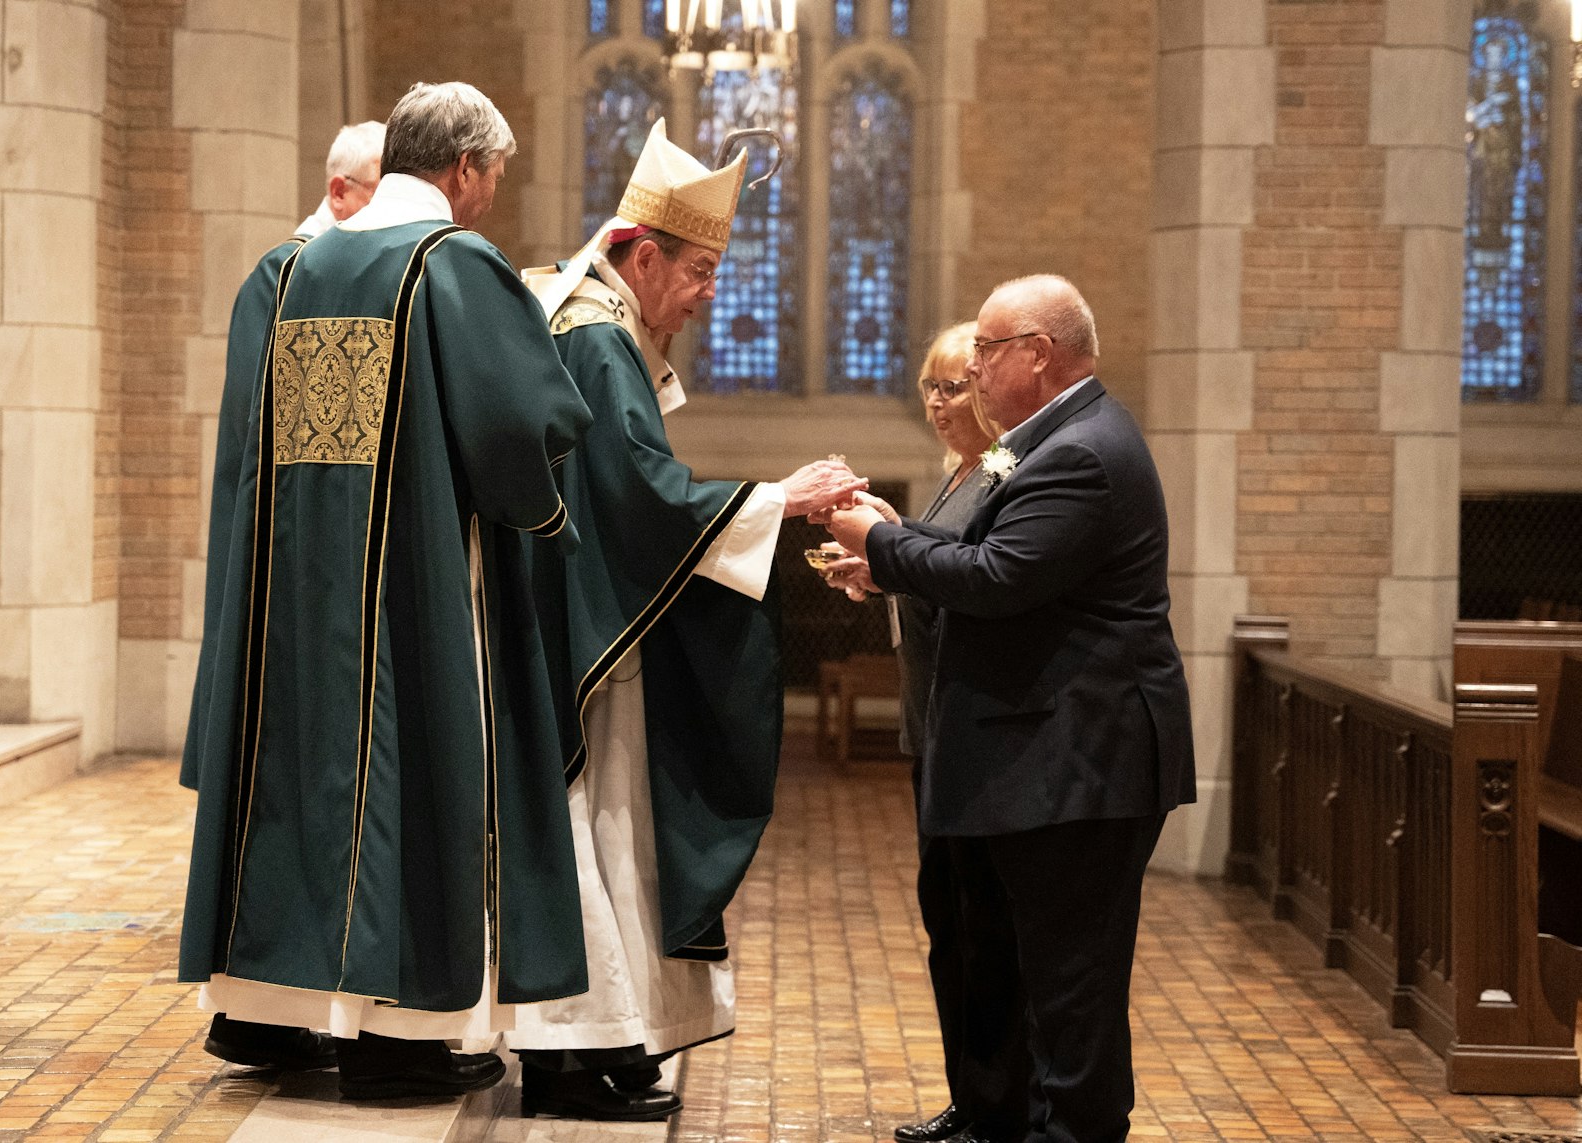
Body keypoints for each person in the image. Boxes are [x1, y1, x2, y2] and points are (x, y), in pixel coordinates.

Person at [178, 81, 595, 1101]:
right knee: (410, 771)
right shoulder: (449, 265)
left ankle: (272, 1013)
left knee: (295, 776)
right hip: (413, 583)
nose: (488, 197)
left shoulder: (290, 269)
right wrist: (546, 505)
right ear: (461, 169)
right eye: (490, 176)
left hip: (288, 587)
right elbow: (522, 427)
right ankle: (400, 1037)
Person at [506, 118, 865, 1122]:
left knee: (616, 828)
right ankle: (572, 1051)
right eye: (701, 271)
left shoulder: (601, 327)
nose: (711, 295)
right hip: (591, 638)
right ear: (644, 254)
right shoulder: (595, 336)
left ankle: (612, 1036)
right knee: (597, 824)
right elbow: (641, 496)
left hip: (594, 621)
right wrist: (775, 500)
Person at [826, 275, 1195, 1143]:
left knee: (1073, 994)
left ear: (1038, 353)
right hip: (1044, 755)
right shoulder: (1040, 443)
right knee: (1027, 972)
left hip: (1083, 760)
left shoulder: (1081, 452)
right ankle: (1004, 1117)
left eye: (987, 351)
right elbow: (978, 544)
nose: (975, 367)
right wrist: (898, 548)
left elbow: (996, 576)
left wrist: (877, 540)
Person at [179, 118, 387, 1076]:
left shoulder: (328, 274)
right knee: (290, 786)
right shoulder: (292, 277)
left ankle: (279, 1005)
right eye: (384, 195)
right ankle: (261, 1008)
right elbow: (303, 447)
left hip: (322, 575)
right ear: (342, 192)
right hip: (297, 578)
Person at [819, 322, 1031, 1143]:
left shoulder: (1009, 465)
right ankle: (971, 1098)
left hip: (976, 736)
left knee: (987, 930)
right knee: (950, 926)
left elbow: (980, 571)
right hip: (933, 729)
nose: (942, 405)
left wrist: (890, 542)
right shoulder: (955, 475)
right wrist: (884, 557)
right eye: (930, 390)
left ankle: (999, 1105)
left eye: (957, 387)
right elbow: (939, 559)